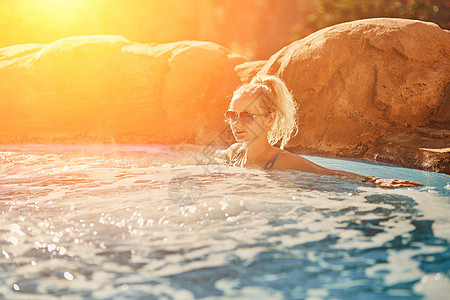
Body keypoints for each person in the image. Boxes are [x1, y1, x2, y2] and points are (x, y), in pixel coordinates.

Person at [216, 75, 422, 188]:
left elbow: (328, 173)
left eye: (247, 116)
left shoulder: (282, 161)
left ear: (270, 119)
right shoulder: (235, 153)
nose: (236, 123)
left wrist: (374, 180)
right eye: (232, 115)